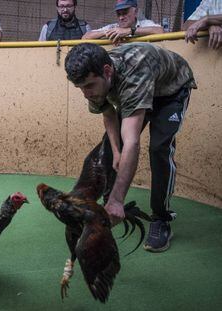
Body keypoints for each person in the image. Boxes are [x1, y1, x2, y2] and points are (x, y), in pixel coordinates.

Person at [64, 42, 196, 253]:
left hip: (171, 91)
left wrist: (118, 198)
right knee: (108, 146)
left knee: (159, 148)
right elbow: (108, 113)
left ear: (107, 72)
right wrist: (116, 151)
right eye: (80, 88)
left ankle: (161, 219)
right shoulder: (95, 79)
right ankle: (109, 206)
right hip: (139, 89)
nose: (85, 94)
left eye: (88, 86)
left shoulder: (134, 73)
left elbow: (132, 141)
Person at [83, 0, 163, 44]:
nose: (121, 17)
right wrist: (108, 32)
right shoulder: (113, 27)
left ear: (136, 12)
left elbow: (161, 31)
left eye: (125, 13)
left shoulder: (145, 24)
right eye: (118, 14)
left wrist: (130, 31)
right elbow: (85, 37)